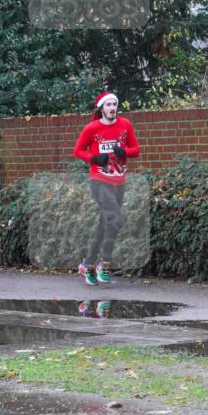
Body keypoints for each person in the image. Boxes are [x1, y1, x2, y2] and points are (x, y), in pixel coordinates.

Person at [73, 92, 140, 285]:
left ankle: (87, 264)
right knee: (115, 219)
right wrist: (93, 158)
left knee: (105, 225)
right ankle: (104, 264)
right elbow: (78, 150)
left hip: (119, 181)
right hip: (99, 180)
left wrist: (124, 151)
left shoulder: (125, 125)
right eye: (108, 105)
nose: (112, 108)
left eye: (114, 104)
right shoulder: (92, 128)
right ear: (101, 108)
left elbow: (136, 150)